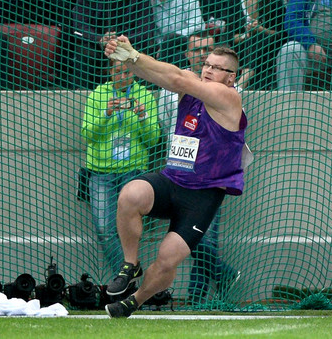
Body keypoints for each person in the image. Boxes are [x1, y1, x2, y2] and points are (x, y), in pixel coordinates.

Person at [102, 34, 247, 318]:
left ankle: (136, 300)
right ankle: (130, 264)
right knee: (130, 194)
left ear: (231, 77)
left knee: (168, 261)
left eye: (217, 67)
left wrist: (133, 57)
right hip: (172, 182)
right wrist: (127, 57)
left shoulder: (229, 97)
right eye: (206, 64)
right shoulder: (191, 89)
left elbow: (178, 80)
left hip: (202, 196)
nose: (208, 69)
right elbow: (164, 74)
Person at [157, 30, 240, 306]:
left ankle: (196, 298)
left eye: (214, 64)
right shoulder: (175, 86)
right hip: (176, 174)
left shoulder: (224, 93)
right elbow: (165, 127)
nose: (204, 64)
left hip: (207, 181)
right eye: (199, 56)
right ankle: (224, 274)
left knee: (202, 241)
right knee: (180, 241)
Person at [81, 60, 161, 276]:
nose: (123, 76)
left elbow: (153, 140)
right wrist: (106, 114)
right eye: (118, 71)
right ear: (109, 72)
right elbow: (88, 135)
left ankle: (125, 276)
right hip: (100, 172)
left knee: (130, 231)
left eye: (128, 72)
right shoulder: (98, 95)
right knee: (104, 230)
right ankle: (127, 274)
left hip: (133, 172)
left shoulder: (144, 95)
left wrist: (143, 117)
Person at [61, 0, 158, 89]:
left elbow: (146, 30)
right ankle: (81, 95)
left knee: (142, 54)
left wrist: (120, 42)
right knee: (84, 51)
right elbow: (78, 26)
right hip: (97, 48)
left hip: (128, 48)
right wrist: (99, 39)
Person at [231, 0, 286, 90]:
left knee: (258, 37)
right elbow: (231, 37)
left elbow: (281, 35)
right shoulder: (233, 2)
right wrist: (246, 35)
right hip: (240, 51)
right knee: (253, 38)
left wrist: (261, 30)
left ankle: (243, 80)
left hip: (268, 52)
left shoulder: (274, 1)